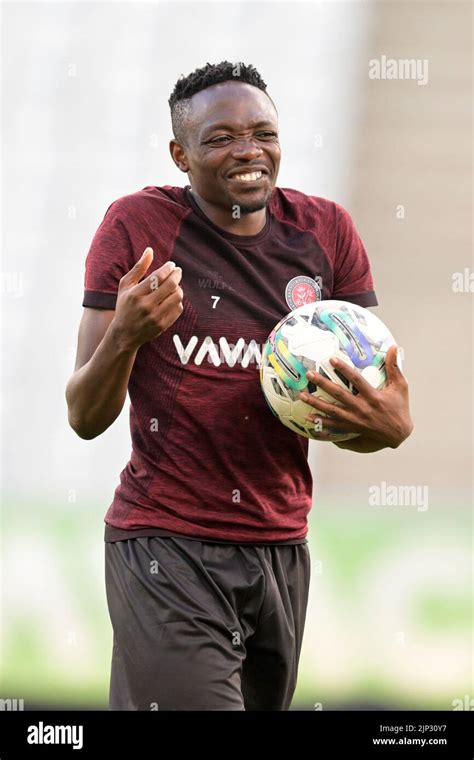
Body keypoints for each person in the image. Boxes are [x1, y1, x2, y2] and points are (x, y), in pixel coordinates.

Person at [65, 61, 413, 711]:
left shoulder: (326, 232)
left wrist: (388, 430)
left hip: (281, 549)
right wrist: (128, 335)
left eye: (263, 132)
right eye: (221, 137)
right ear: (181, 154)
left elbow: (383, 414)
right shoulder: (137, 228)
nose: (249, 150)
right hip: (166, 547)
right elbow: (84, 414)